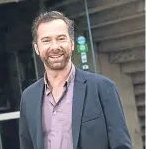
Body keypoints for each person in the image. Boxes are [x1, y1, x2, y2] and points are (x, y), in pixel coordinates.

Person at [19, 11, 132, 149]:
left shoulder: (103, 88)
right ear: (37, 48)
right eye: (46, 40)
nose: (55, 47)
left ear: (72, 44)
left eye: (61, 38)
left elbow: (121, 145)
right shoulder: (28, 98)